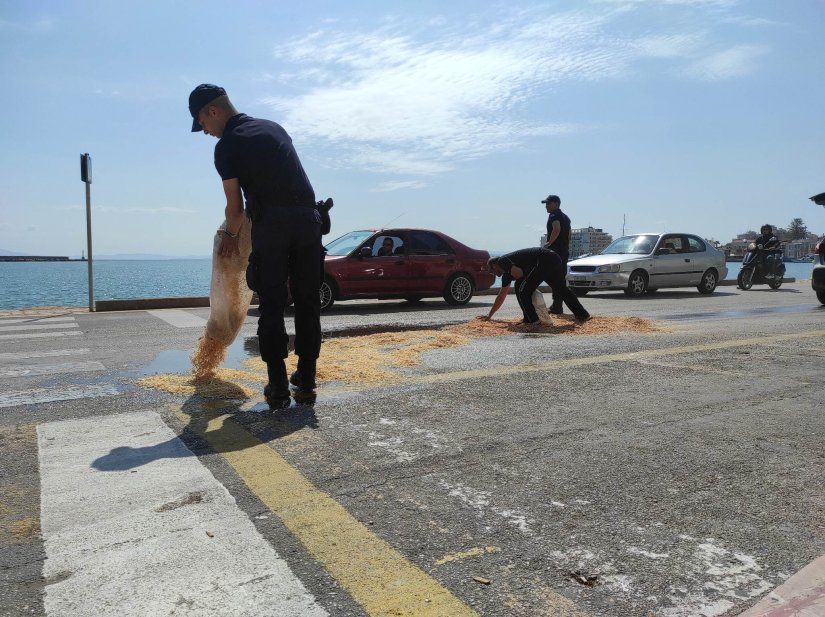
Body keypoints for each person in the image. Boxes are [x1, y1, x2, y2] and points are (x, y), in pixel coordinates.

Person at [189, 84, 322, 408]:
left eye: (202, 122)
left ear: (213, 111)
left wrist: (230, 239)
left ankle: (277, 386)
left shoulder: (226, 146)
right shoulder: (275, 127)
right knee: (307, 302)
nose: (204, 130)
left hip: (272, 224)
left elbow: (235, 210)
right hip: (309, 220)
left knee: (272, 304)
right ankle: (306, 379)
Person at [482, 248, 591, 324]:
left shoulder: (502, 261)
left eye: (491, 270)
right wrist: (489, 315)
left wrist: (527, 283)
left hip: (544, 258)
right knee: (561, 289)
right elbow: (501, 296)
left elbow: (520, 274)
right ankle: (582, 314)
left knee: (522, 289)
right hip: (553, 258)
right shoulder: (506, 275)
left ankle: (532, 320)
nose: (492, 273)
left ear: (494, 265)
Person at [541, 195, 572, 314]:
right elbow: (569, 234)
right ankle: (558, 305)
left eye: (548, 203)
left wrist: (549, 243)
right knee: (560, 278)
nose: (546, 206)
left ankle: (557, 306)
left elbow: (556, 229)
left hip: (555, 252)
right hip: (563, 251)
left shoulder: (554, 215)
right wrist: (565, 246)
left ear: (555, 204)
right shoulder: (566, 217)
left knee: (553, 277)